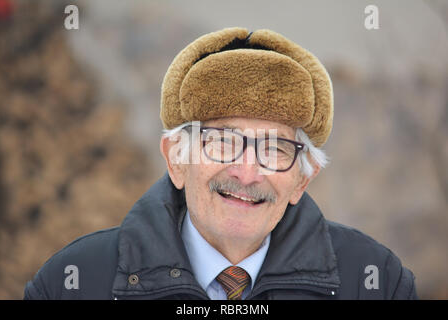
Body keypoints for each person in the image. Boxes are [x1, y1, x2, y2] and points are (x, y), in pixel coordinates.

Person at [24, 27, 417, 300]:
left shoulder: (377, 283)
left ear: (302, 180)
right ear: (176, 161)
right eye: (223, 142)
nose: (247, 173)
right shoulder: (71, 283)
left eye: (275, 149)